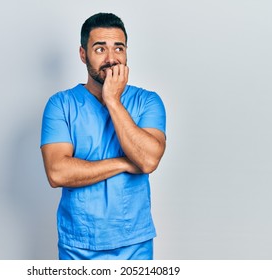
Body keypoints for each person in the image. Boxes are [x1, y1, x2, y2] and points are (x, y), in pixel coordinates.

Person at [40, 12, 166, 260]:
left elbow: (149, 160)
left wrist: (112, 100)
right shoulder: (61, 105)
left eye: (118, 48)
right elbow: (57, 173)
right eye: (100, 49)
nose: (111, 58)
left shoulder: (148, 102)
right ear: (83, 54)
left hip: (134, 245)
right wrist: (125, 163)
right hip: (78, 246)